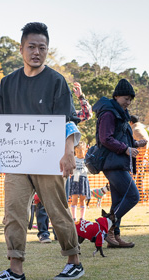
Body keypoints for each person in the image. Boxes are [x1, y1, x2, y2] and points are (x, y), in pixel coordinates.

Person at [0, 22, 84, 280]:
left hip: (50, 161)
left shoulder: (56, 81)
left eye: (42, 47)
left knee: (56, 210)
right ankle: (15, 269)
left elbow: (67, 122)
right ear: (21, 49)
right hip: (15, 162)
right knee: (13, 212)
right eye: (32, 46)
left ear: (47, 50)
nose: (37, 52)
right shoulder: (7, 84)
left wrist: (68, 153)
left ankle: (73, 261)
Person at [35, 81, 92, 243]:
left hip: (62, 162)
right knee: (42, 198)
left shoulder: (68, 114)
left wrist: (80, 96)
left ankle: (58, 232)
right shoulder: (40, 112)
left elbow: (87, 114)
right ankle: (43, 232)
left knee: (60, 199)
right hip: (42, 158)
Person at [93, 78, 146, 248]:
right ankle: (106, 227)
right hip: (112, 163)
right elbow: (105, 138)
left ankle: (115, 237)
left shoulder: (119, 112)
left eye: (130, 99)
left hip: (119, 161)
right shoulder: (109, 113)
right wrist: (126, 149)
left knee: (118, 202)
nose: (128, 102)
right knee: (132, 196)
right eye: (126, 98)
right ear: (116, 96)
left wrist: (135, 144)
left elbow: (118, 137)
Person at [129, 115, 149, 200]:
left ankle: (139, 195)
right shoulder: (141, 129)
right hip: (141, 158)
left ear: (131, 122)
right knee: (139, 177)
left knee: (136, 177)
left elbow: (145, 142)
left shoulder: (136, 130)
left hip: (139, 158)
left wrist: (141, 155)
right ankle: (140, 195)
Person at [69, 141, 91, 221]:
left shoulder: (87, 160)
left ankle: (82, 218)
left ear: (85, 151)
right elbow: (70, 169)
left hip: (83, 180)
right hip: (75, 180)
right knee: (74, 199)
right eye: (77, 151)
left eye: (81, 151)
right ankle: (73, 217)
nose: (78, 153)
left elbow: (90, 171)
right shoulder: (73, 159)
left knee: (82, 200)